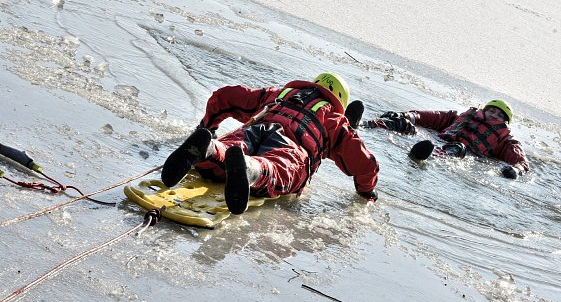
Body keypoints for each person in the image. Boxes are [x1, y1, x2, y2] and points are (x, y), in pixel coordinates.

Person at [160, 73, 379, 215]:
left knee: (228, 150)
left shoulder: (280, 94)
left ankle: (208, 148)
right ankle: (250, 169)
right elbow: (365, 164)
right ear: (340, 103)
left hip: (257, 126)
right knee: (276, 168)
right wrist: (366, 191)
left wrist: (208, 125)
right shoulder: (335, 120)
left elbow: (226, 96)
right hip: (293, 146)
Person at [363, 99, 529, 179]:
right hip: (437, 141)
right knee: (404, 125)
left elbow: (519, 159)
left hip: (463, 153)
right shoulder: (460, 117)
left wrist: (517, 169)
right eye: (491, 111)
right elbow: (433, 117)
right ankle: (364, 125)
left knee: (455, 148)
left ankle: (423, 157)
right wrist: (406, 115)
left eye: (500, 115)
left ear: (506, 123)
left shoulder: (506, 141)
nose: (494, 115)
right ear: (483, 111)